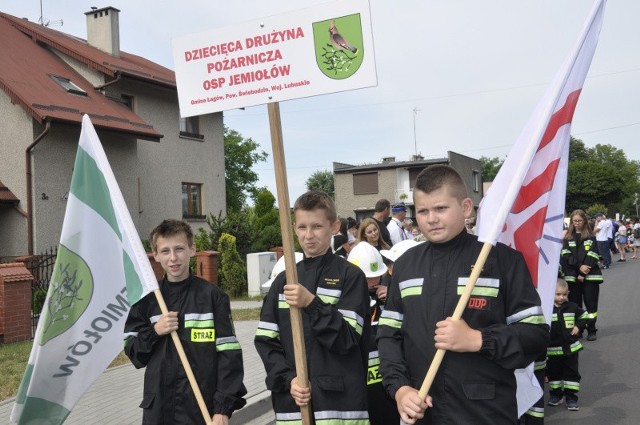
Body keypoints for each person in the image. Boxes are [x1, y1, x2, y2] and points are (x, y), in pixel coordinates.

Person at [376, 165, 549, 425]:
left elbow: (536, 336)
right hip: (423, 411)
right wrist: (399, 389)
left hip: (486, 414)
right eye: (422, 211)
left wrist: (478, 339)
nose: (431, 218)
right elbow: (388, 336)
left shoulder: (502, 260)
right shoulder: (405, 265)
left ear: (466, 207)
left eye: (441, 208)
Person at [254, 190, 371, 424]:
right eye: (301, 227)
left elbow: (347, 339)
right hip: (294, 406)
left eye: (317, 226)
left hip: (339, 408)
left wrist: (311, 303)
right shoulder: (283, 281)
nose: (308, 235)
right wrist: (289, 380)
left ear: (335, 226)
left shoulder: (351, 276)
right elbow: (266, 341)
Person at [124, 219, 246, 425]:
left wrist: (223, 408)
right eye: (165, 251)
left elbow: (229, 356)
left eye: (179, 249)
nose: (173, 258)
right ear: (155, 255)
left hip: (201, 409)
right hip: (159, 410)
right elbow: (135, 354)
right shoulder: (146, 301)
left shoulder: (213, 297)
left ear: (192, 249)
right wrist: (156, 331)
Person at [347, 241, 400, 425]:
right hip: (359, 394)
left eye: (376, 278)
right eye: (367, 279)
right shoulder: (344, 307)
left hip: (386, 394)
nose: (373, 283)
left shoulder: (385, 303)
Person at [547, 277, 590, 411]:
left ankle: (571, 398)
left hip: (571, 349)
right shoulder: (547, 308)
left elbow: (585, 316)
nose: (561, 297)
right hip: (553, 350)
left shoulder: (572, 307)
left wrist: (578, 326)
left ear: (568, 293)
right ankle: (556, 395)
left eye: (564, 294)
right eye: (558, 294)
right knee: (554, 374)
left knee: (571, 374)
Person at [560, 209, 603, 341]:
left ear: (584, 221)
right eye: (575, 221)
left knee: (591, 306)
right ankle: (578, 330)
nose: (577, 223)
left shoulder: (591, 237)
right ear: (572, 222)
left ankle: (591, 329)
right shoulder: (567, 238)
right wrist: (579, 269)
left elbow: (593, 255)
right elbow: (566, 256)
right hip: (573, 277)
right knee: (575, 306)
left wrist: (583, 273)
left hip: (590, 277)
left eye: (580, 220)